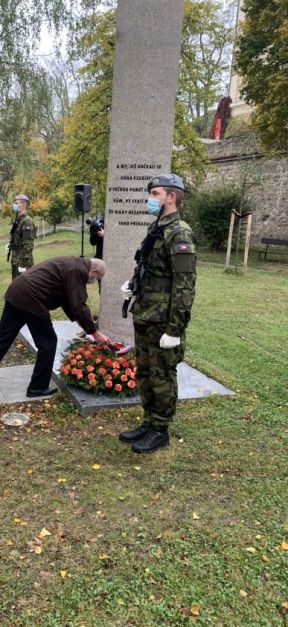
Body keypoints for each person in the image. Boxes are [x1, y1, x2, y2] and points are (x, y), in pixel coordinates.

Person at [119, 173, 196, 454]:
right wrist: (133, 284)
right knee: (146, 371)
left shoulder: (179, 233)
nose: (150, 199)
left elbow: (185, 286)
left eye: (155, 194)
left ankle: (160, 429)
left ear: (171, 197)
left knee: (162, 374)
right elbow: (151, 268)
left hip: (163, 319)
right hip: (146, 314)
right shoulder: (157, 229)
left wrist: (175, 330)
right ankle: (149, 421)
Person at [0, 256, 110, 397]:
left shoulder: (72, 264)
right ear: (94, 271)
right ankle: (37, 387)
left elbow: (69, 301)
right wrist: (95, 334)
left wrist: (85, 326)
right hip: (32, 298)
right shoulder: (78, 271)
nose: (93, 281)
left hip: (17, 291)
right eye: (96, 278)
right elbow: (78, 305)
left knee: (1, 339)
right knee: (48, 342)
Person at [6, 194, 35, 280]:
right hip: (16, 259)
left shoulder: (26, 221)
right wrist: (10, 245)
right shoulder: (19, 220)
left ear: (23, 205)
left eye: (16, 203)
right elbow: (18, 238)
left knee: (23, 288)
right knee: (15, 286)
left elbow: (28, 245)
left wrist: (23, 265)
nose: (14, 205)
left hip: (22, 262)